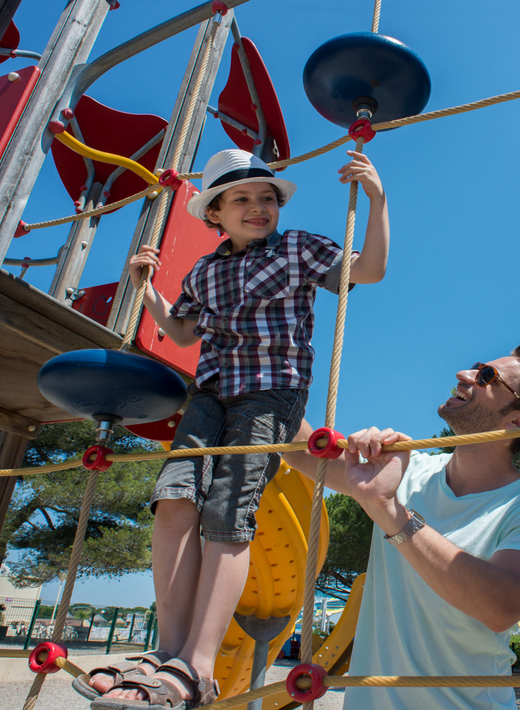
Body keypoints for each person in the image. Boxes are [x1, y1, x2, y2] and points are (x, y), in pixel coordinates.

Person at [83, 148, 390, 710]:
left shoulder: (298, 248)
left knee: (229, 510)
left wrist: (376, 198)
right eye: (241, 199)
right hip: (212, 392)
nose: (258, 207)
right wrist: (145, 287)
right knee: (174, 500)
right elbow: (179, 334)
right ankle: (168, 654)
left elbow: (367, 272)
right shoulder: (204, 272)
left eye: (267, 197)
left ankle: (199, 666)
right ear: (214, 215)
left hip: (271, 391)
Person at [282, 343, 520, 710]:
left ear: (518, 422)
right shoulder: (407, 469)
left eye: (487, 377)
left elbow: (502, 608)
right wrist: (259, 367)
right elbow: (294, 449)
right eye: (475, 366)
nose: (463, 375)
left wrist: (389, 510)